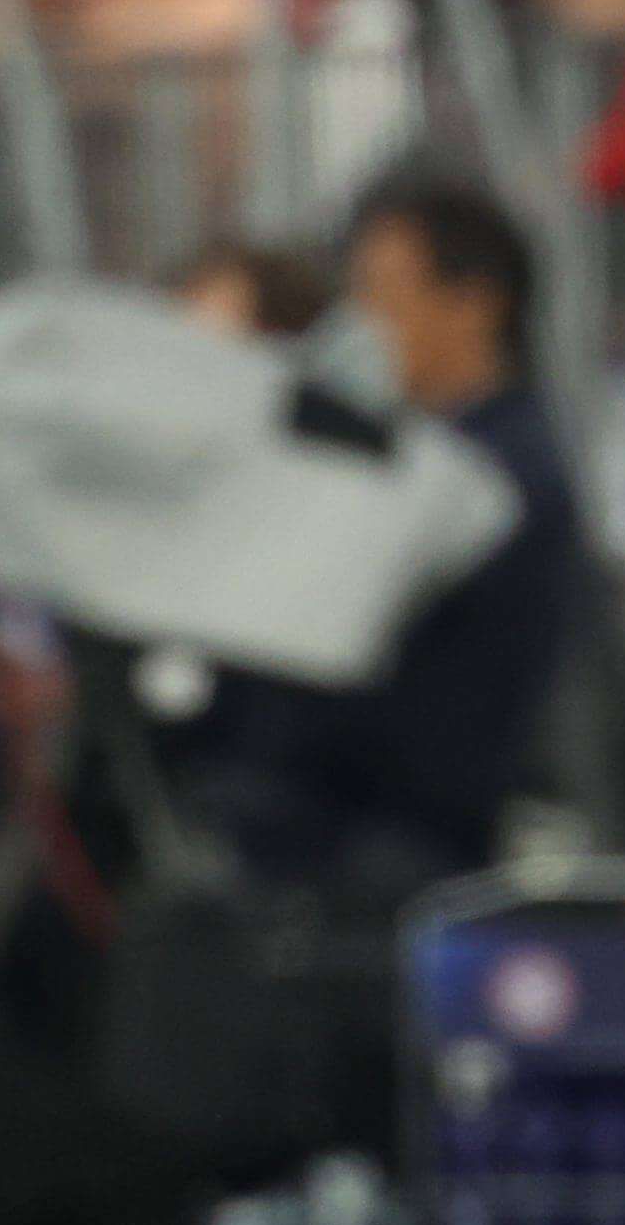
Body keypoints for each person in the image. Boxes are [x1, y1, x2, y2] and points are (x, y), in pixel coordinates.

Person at [187, 166, 582, 898]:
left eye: (381, 292)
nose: (363, 322)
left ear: (475, 303)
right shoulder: (430, 453)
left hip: (389, 845)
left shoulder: (495, 482)